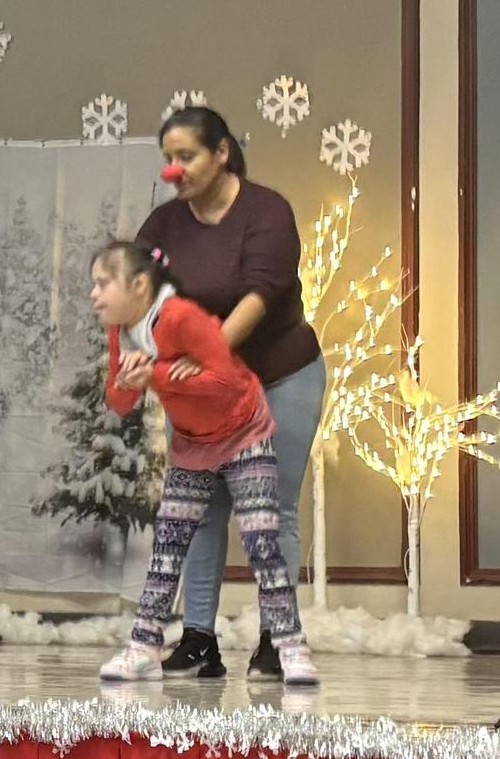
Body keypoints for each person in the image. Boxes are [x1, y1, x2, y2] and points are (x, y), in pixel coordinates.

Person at [138, 106, 325, 680]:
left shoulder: (266, 212)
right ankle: (199, 640)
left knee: (270, 513)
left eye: (186, 156)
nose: (175, 170)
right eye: (167, 158)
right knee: (202, 511)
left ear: (222, 153)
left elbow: (260, 295)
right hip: (200, 393)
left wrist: (206, 361)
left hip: (279, 378)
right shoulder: (165, 226)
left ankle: (275, 640)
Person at [91, 241, 317, 688]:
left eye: (103, 284)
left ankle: (290, 648)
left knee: (261, 542)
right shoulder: (122, 330)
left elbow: (225, 380)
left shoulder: (180, 318)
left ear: (139, 285)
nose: (94, 295)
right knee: (168, 546)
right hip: (194, 444)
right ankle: (143, 648)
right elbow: (119, 402)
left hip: (243, 435)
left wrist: (154, 373)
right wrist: (129, 377)